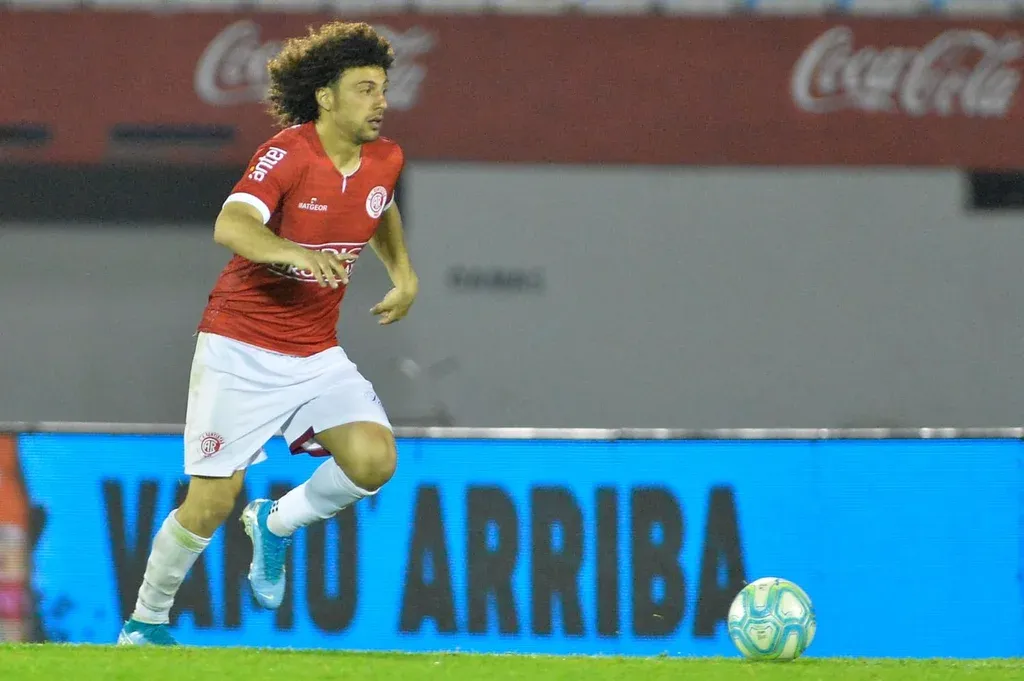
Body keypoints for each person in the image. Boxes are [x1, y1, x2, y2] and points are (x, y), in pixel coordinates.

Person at [118, 21, 417, 646]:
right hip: (240, 348)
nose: (380, 102)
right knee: (209, 504)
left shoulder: (385, 157)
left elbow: (380, 203)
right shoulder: (288, 152)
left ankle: (275, 524)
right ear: (326, 97)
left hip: (315, 352)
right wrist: (295, 252)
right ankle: (145, 623)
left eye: (383, 89)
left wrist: (403, 274)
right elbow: (231, 226)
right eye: (364, 89)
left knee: (374, 460)